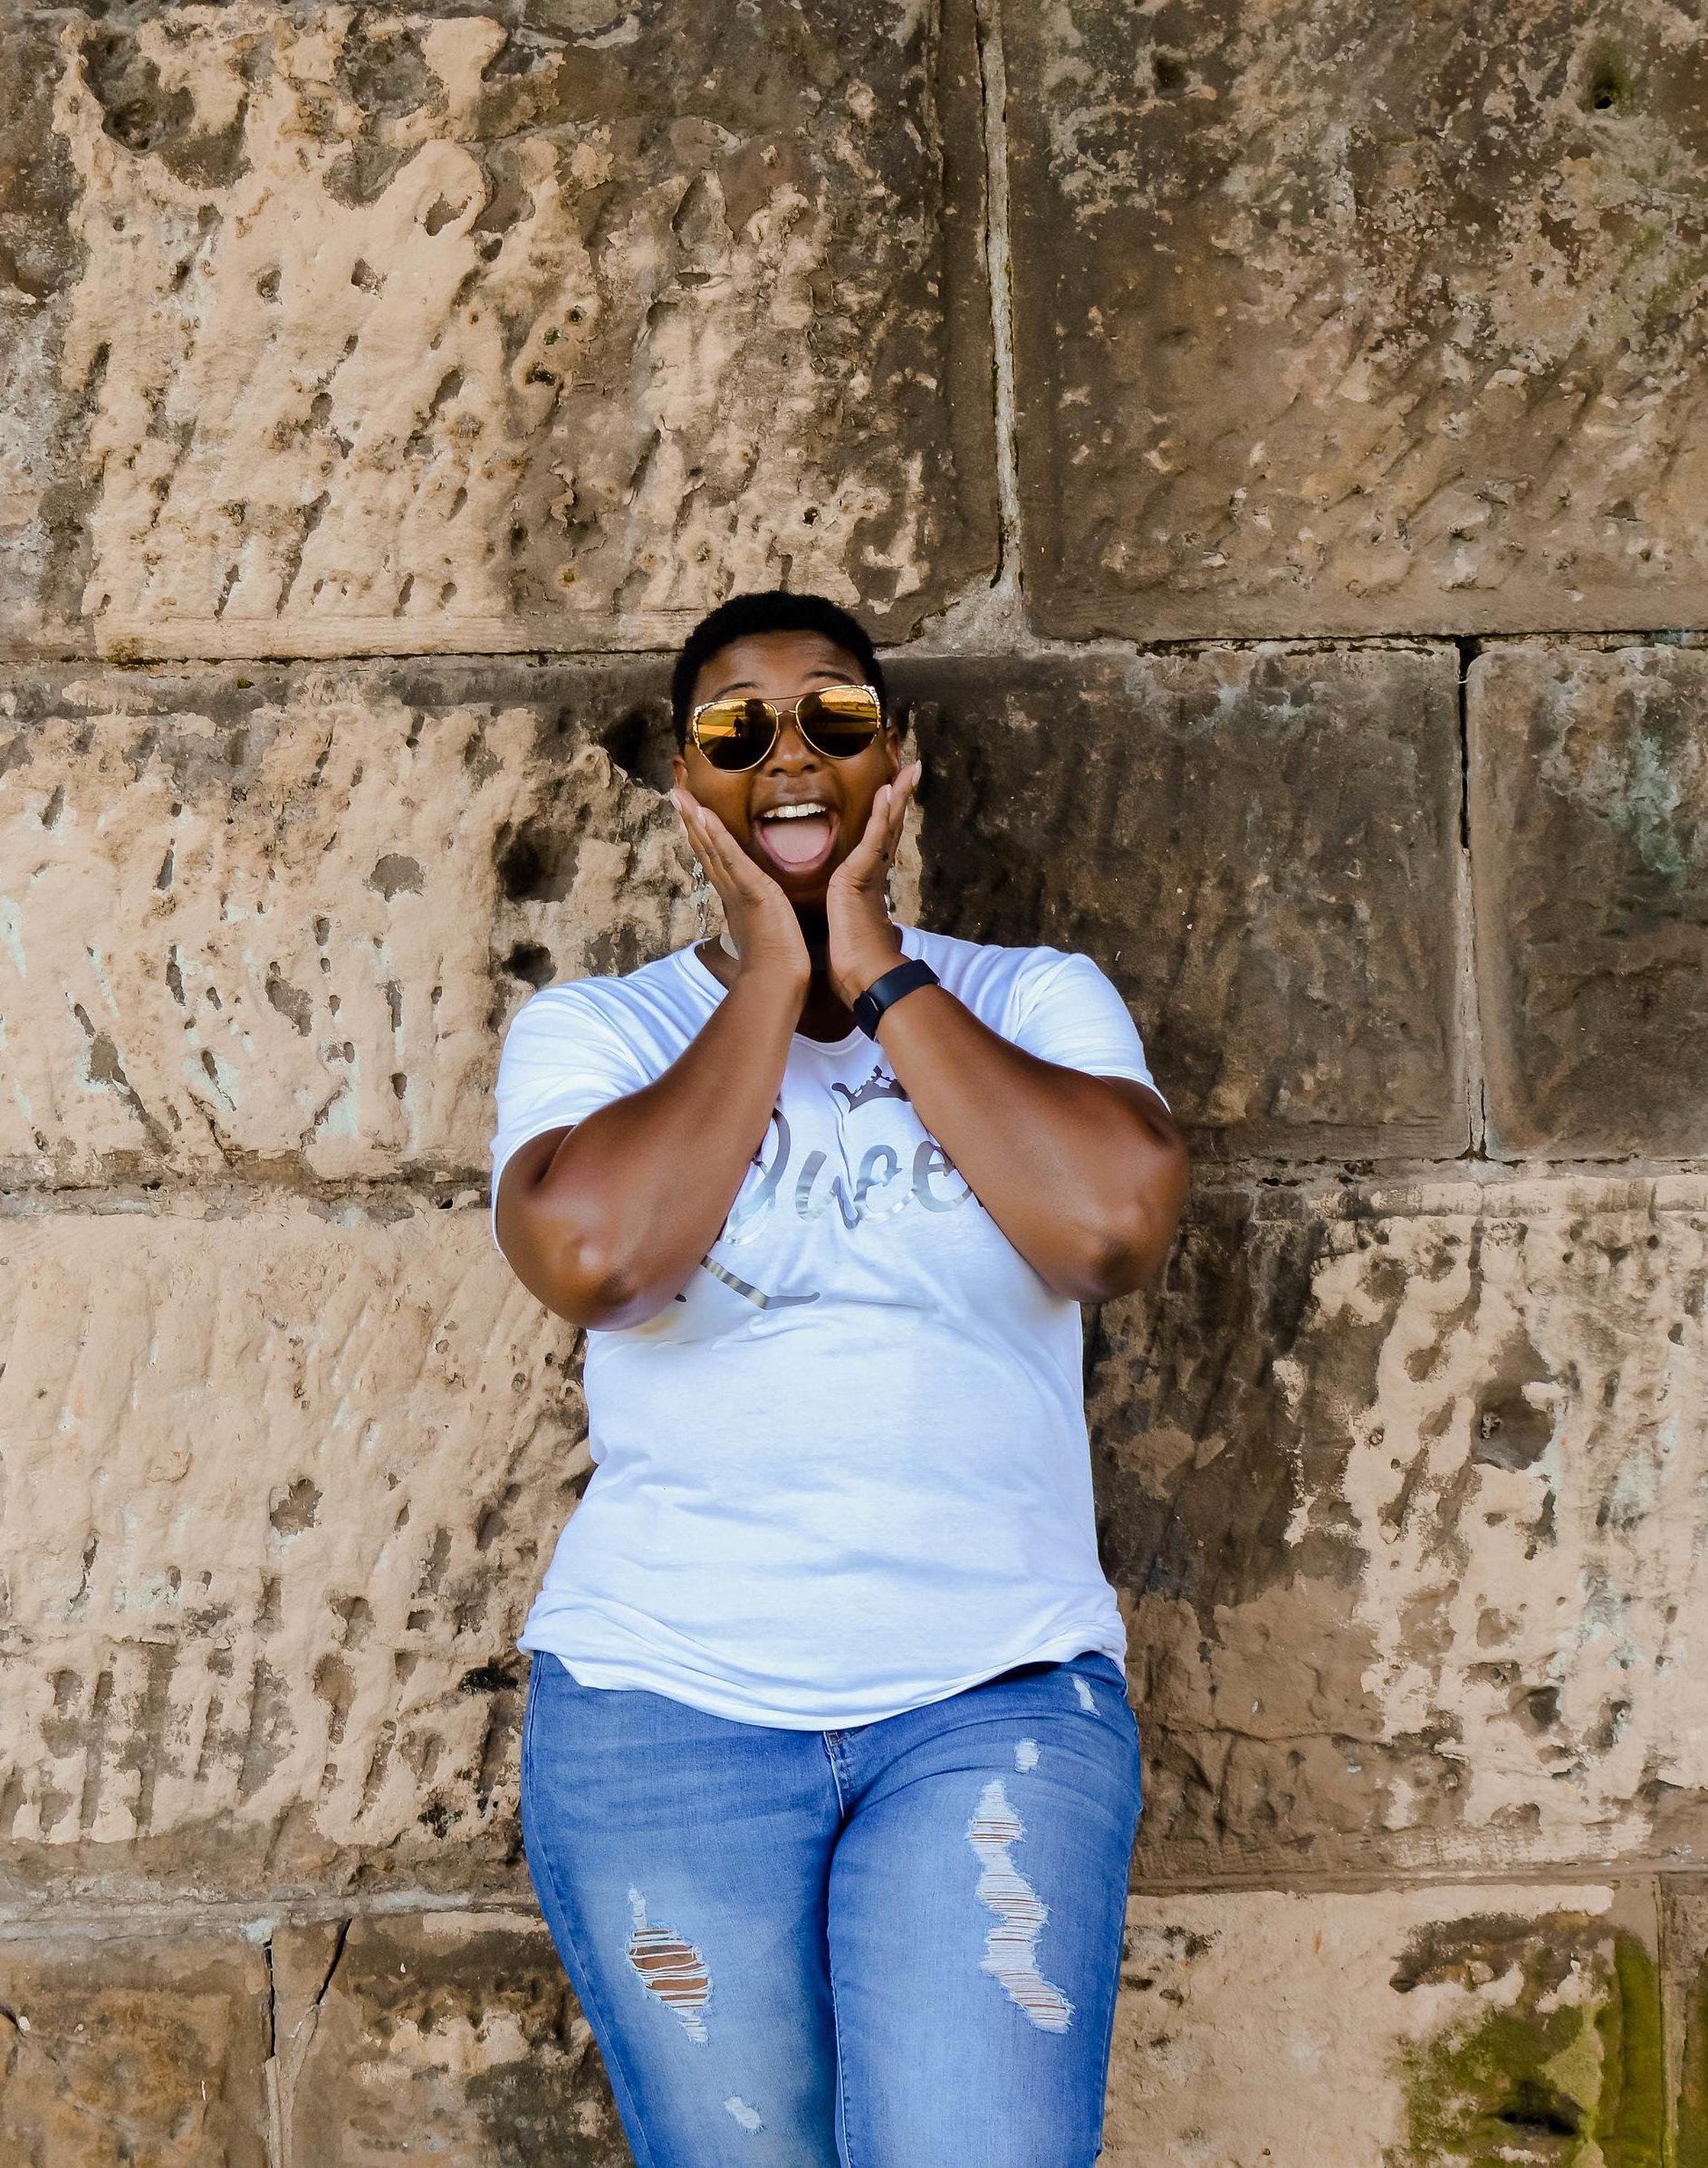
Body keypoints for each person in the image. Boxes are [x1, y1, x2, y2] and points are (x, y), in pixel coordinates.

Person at [488, 589, 1190, 2166]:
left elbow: (1105, 1228)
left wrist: (868, 958)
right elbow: (600, 1260)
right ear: (687, 781)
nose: (790, 756)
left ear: (896, 759)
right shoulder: (598, 1032)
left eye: (835, 718)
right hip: (665, 1714)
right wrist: (767, 971)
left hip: (991, 1695)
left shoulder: (1032, 999)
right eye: (738, 730)